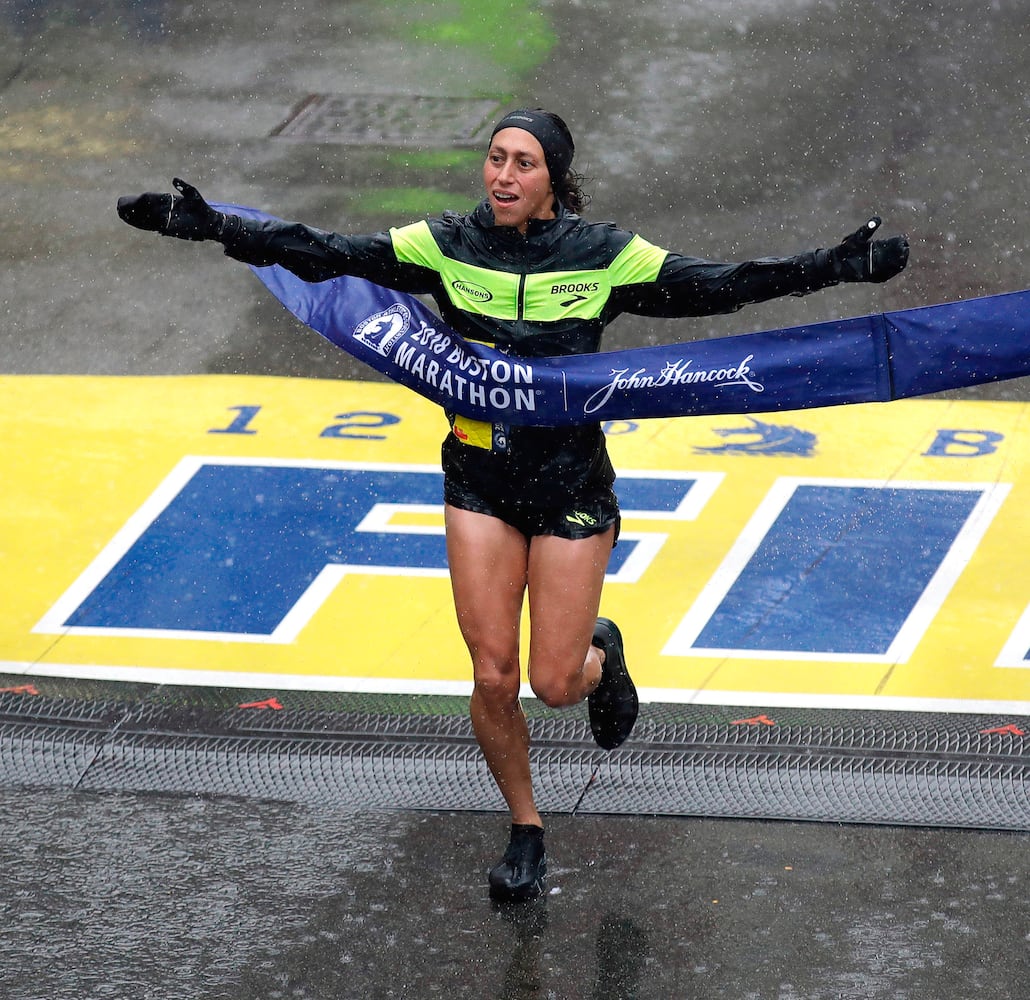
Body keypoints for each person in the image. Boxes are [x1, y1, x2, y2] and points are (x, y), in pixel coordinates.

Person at [117, 108, 909, 902]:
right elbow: (328, 256)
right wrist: (215, 225)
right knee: (494, 677)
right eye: (495, 159)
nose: (502, 176)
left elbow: (721, 286)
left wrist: (832, 266)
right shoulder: (445, 244)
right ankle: (526, 827)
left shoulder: (605, 255)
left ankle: (601, 657)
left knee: (553, 683)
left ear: (553, 181)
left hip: (569, 487)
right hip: (479, 481)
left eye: (522, 164)